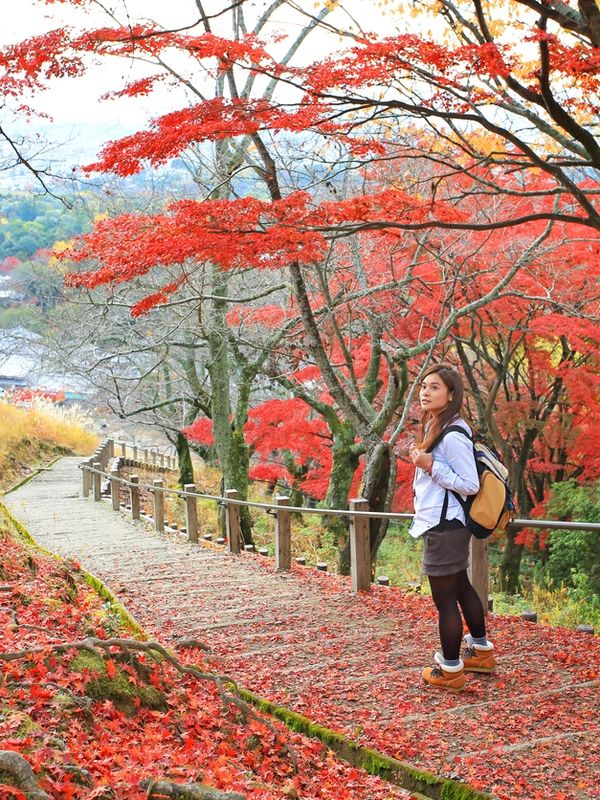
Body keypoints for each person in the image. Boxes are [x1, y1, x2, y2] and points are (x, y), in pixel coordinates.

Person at [409, 363, 496, 692]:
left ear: (451, 395)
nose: (425, 392)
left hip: (445, 527)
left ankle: (450, 670)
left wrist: (431, 465)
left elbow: (469, 484)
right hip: (447, 524)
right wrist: (427, 462)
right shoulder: (439, 426)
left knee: (444, 600)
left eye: (434, 387)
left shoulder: (453, 433)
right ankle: (481, 653)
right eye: (424, 386)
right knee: (460, 588)